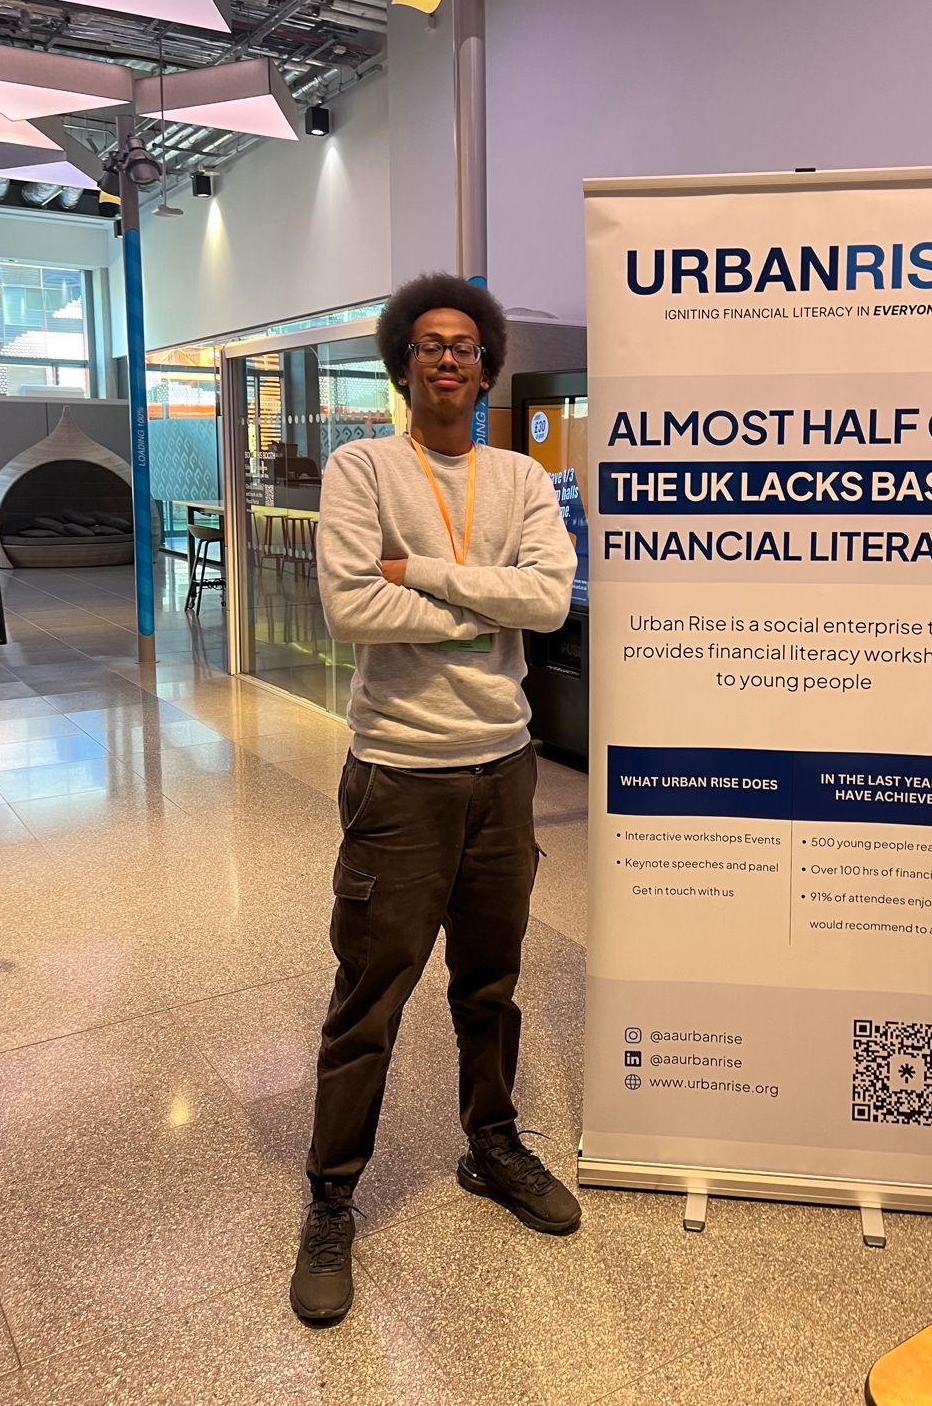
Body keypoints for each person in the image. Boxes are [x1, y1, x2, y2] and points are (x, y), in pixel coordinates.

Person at [290, 273, 580, 1325]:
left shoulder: (522, 478)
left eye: (464, 345)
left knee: (490, 983)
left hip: (503, 769)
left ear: (488, 366)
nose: (447, 358)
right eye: (428, 344)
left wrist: (419, 571)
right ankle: (331, 1200)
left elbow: (549, 600)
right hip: (399, 773)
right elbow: (349, 607)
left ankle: (490, 1144)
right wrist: (484, 609)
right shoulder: (361, 467)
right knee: (371, 994)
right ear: (402, 364)